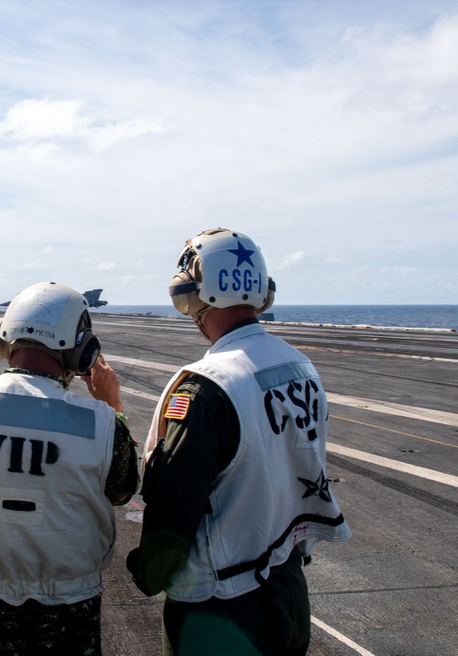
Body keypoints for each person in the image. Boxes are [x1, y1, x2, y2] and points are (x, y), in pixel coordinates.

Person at [126, 228, 351, 655]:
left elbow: (175, 498)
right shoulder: (300, 366)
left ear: (193, 295)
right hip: (287, 587)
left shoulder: (206, 387)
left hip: (221, 608)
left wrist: (149, 573)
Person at [0, 281, 139, 655]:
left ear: (2, 339)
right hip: (67, 615)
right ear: (81, 351)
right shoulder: (102, 424)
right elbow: (121, 491)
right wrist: (113, 406)